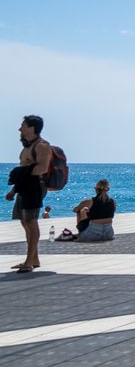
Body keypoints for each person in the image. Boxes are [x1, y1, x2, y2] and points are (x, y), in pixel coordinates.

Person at [7, 115, 53, 273]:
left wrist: (21, 173)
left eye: (23, 126)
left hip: (35, 186)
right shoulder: (27, 147)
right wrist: (14, 190)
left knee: (31, 221)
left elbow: (43, 168)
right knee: (24, 221)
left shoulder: (42, 146)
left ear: (32, 128)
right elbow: (25, 170)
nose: (20, 129)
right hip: (24, 187)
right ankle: (34, 259)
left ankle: (28, 261)